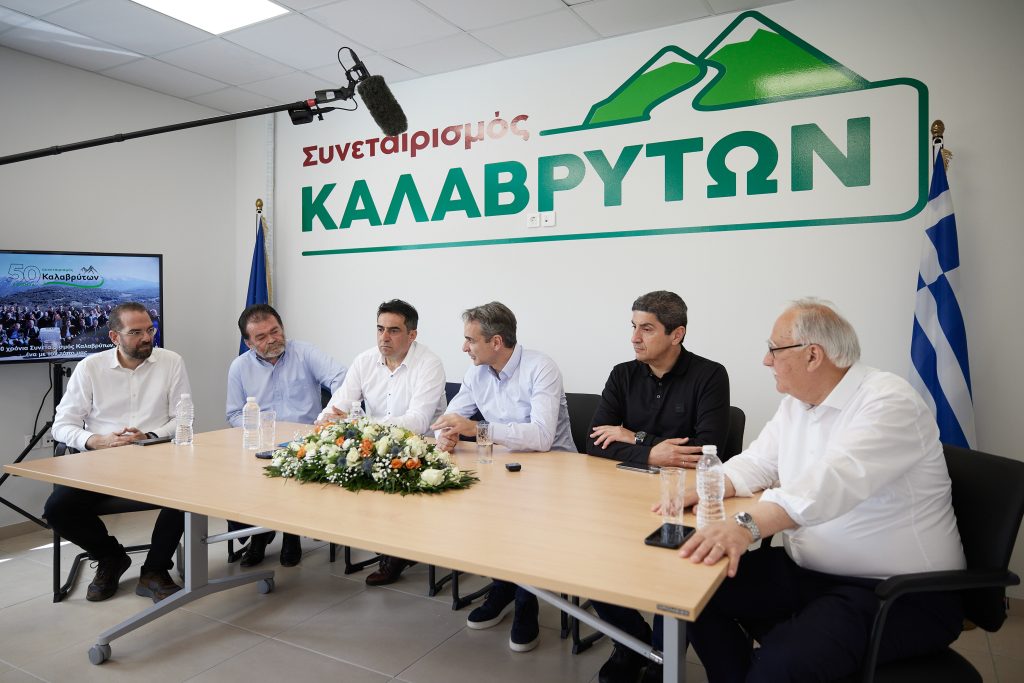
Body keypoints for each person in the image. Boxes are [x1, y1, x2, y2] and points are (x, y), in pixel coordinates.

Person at [679, 298, 965, 682]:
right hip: (810, 572)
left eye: (774, 349)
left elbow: (828, 484)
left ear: (812, 355)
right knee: (694, 594)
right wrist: (704, 487)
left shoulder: (888, 401)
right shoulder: (797, 404)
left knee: (780, 664)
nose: (766, 360)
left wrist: (746, 525)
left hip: (896, 592)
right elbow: (759, 462)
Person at [586, 290, 730, 683]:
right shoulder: (622, 374)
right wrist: (651, 450)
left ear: (676, 334)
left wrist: (631, 437)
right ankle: (632, 644)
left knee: (673, 570)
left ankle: (663, 659)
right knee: (591, 557)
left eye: (647, 329)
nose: (634, 337)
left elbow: (704, 450)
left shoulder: (709, 375)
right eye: (634, 327)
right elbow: (595, 442)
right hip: (622, 495)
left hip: (682, 498)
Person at [432, 301, 576, 654]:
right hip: (502, 468)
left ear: (496, 342)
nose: (464, 348)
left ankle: (526, 600)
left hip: (554, 471)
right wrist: (446, 436)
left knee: (524, 521)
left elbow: (542, 437)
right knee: (477, 514)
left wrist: (477, 429)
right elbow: (451, 417)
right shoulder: (476, 373)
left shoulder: (541, 367)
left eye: (470, 340)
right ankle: (503, 586)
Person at [44, 302, 191, 603]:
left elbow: (184, 419)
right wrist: (95, 440)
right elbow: (61, 426)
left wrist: (150, 435)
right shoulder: (90, 368)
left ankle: (155, 570)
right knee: (57, 509)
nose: (147, 338)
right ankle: (110, 557)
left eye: (150, 330)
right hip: (101, 464)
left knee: (190, 493)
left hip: (156, 459)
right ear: (114, 337)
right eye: (135, 332)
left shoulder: (171, 362)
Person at [317, 299, 447, 586]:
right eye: (380, 329)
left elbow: (418, 421)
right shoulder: (364, 361)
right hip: (373, 445)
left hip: (420, 449)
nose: (384, 337)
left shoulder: (429, 364)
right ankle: (384, 541)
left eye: (393, 330)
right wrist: (325, 419)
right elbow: (339, 404)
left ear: (412, 335)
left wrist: (360, 425)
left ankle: (396, 550)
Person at [226, 303, 347, 567]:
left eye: (275, 331)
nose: (272, 340)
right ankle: (259, 534)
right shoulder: (239, 367)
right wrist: (259, 429)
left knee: (291, 468)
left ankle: (291, 535)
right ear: (248, 343)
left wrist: (330, 411)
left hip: (305, 441)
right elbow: (234, 414)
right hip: (261, 440)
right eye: (261, 337)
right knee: (243, 473)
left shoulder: (304, 352)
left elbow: (342, 379)